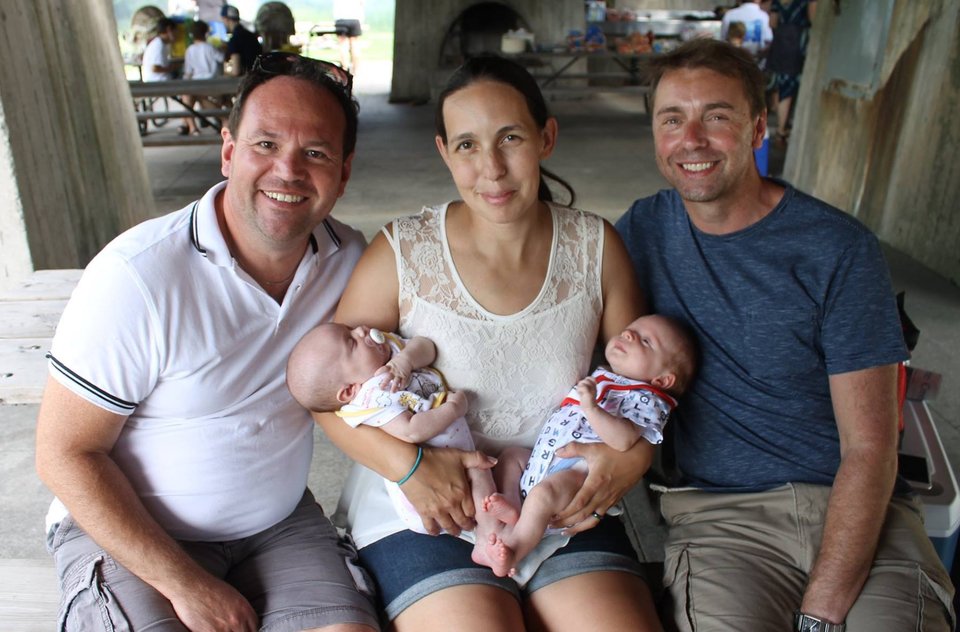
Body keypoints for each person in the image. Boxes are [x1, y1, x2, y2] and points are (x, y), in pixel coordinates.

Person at [615, 38, 955, 631]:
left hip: (861, 510)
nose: (691, 139)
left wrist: (820, 616)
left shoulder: (836, 249)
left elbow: (870, 447)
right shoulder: (643, 232)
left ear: (757, 128)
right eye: (673, 119)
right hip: (723, 518)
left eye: (716, 117)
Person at [315, 54, 662, 631]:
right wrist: (408, 468)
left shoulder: (595, 247)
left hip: (556, 498)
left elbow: (643, 380)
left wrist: (634, 457)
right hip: (431, 510)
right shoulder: (403, 251)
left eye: (510, 138)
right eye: (468, 146)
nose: (492, 168)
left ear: (546, 137)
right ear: (444, 151)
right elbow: (328, 396)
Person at [35, 53, 380, 631]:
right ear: (228, 151)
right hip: (134, 530)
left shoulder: (348, 262)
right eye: (265, 145)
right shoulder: (139, 275)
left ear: (343, 173)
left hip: (277, 525)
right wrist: (186, 585)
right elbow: (64, 454)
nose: (288, 171)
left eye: (315, 153)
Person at [483, 314, 697, 579]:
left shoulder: (647, 399)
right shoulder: (608, 376)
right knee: (511, 457)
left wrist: (591, 407)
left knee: (542, 497)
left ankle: (513, 550)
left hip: (577, 474)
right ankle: (513, 510)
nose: (628, 334)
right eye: (631, 329)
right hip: (545, 459)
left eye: (645, 341)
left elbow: (624, 440)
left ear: (662, 381)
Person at [287, 323, 503, 568]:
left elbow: (426, 347)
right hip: (434, 480)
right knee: (480, 472)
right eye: (351, 341)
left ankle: (503, 522)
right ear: (349, 390)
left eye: (350, 329)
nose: (360, 330)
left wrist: (405, 361)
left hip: (460, 446)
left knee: (501, 466)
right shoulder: (370, 398)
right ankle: (490, 538)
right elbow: (412, 430)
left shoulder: (386, 354)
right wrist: (453, 409)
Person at [767, 0, 817, 144]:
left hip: (780, 40)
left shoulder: (777, 2)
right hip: (797, 40)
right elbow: (814, 20)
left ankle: (781, 124)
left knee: (780, 83)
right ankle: (782, 129)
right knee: (789, 87)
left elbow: (772, 23)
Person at [181, 19, 225, 135]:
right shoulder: (210, 47)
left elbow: (188, 72)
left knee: (187, 98)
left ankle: (191, 127)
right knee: (193, 97)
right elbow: (222, 58)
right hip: (212, 84)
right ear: (206, 33)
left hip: (197, 84)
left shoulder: (190, 50)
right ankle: (223, 120)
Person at [221, 4, 262, 76]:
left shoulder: (234, 39)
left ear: (226, 19)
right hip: (257, 78)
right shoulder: (251, 35)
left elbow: (236, 71)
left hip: (246, 80)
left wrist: (226, 73)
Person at [141, 17, 179, 82]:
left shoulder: (160, 43)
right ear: (169, 30)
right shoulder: (158, 45)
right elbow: (155, 68)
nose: (177, 34)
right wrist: (172, 68)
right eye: (176, 31)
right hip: (158, 83)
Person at [333, 0, 365, 74]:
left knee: (342, 45)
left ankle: (344, 70)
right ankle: (355, 70)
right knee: (355, 45)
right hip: (355, 18)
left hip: (340, 18)